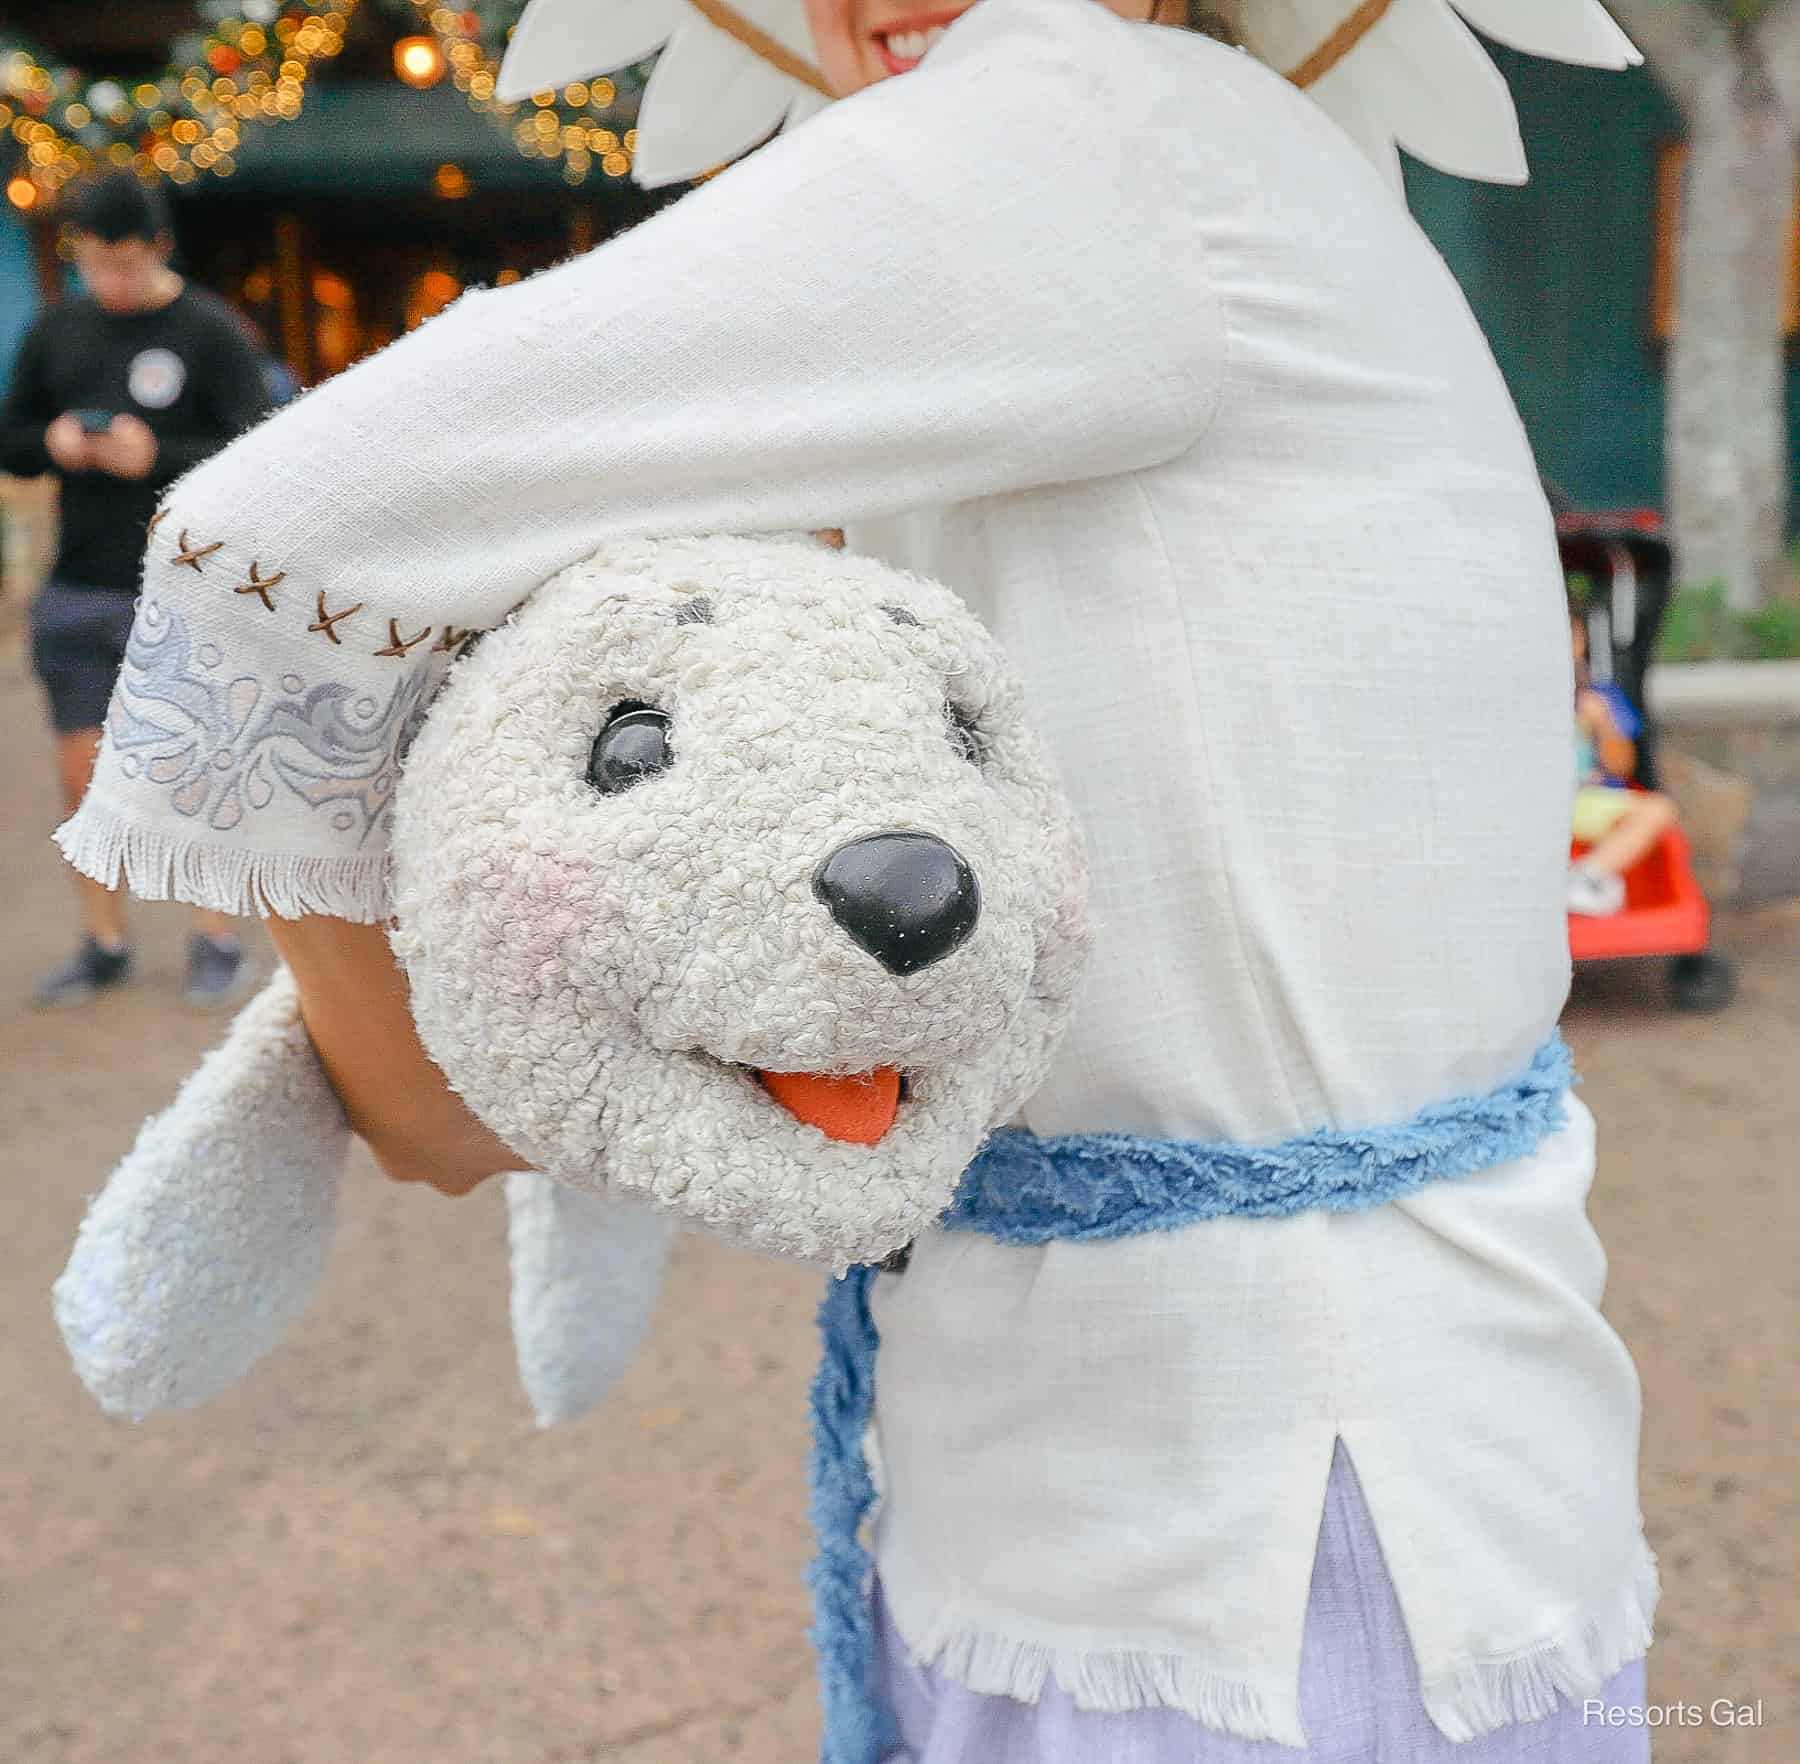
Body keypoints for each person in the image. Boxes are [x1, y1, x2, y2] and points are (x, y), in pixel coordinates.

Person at [57, 0, 1656, 1758]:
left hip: (1252, 1530)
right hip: (1299, 1463)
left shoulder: (1089, 121)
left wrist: (425, 1078)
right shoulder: (1186, 180)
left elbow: (266, 539)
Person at [1, 171, 270, 1009]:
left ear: (157, 248)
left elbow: (261, 452)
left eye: (122, 263)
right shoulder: (57, 330)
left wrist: (154, 456)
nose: (107, 281)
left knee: (195, 769)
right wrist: (50, 440)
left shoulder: (210, 331)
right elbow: (11, 439)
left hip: (185, 589)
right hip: (79, 583)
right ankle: (103, 940)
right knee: (83, 776)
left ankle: (215, 934)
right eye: (92, 264)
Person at [1568, 601, 1678, 916]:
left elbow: (1622, 766)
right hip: (1533, 803)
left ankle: (1585, 877)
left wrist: (1603, 724)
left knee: (1658, 809)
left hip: (1585, 799)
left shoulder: (1601, 697)